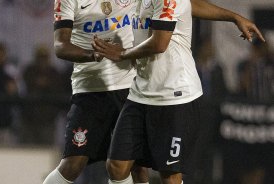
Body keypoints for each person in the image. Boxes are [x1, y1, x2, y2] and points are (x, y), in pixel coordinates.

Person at [92, 0, 265, 183]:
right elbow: (189, 4)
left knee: (169, 176)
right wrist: (233, 16)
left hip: (175, 96)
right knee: (117, 165)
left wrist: (122, 54)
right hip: (141, 92)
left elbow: (160, 43)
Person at [43, 0, 148, 184]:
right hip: (89, 91)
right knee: (72, 165)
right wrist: (91, 55)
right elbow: (60, 45)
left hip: (130, 89)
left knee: (136, 167)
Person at [21, 44, 63, 145]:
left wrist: (45, 83)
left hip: (48, 119)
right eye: (40, 57)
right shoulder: (29, 70)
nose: (42, 60)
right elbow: (28, 84)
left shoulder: (54, 72)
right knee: (28, 149)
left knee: (47, 149)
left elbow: (57, 90)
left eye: (44, 57)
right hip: (30, 118)